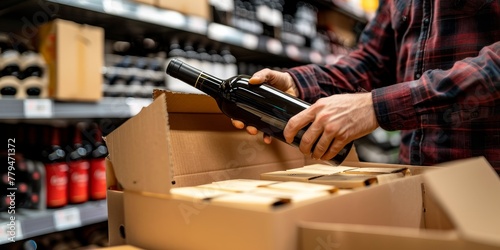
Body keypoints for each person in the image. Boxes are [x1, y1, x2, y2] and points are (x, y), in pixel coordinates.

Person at [232, 0, 500, 174]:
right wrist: (298, 83)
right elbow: (373, 60)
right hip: (417, 179)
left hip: (489, 182)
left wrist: (376, 107)